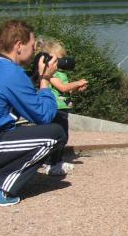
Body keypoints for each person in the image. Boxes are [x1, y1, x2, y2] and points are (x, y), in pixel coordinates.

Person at [0, 20, 66, 206]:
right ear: (19, 46)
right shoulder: (11, 73)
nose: (34, 52)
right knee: (55, 134)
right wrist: (45, 79)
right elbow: (44, 116)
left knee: (17, 129)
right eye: (32, 47)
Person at [34, 38, 88, 175]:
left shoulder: (61, 73)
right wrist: (77, 82)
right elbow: (62, 88)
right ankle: (51, 163)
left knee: (63, 135)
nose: (63, 61)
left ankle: (57, 160)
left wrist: (76, 88)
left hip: (62, 108)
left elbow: (64, 91)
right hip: (55, 109)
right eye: (60, 59)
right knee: (59, 136)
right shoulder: (50, 74)